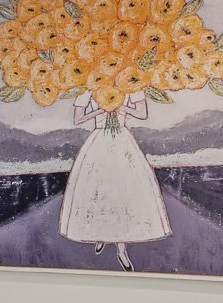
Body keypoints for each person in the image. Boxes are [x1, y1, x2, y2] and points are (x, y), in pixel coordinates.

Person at [58, 93, 170, 271]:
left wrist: (118, 106)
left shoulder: (130, 83)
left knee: (122, 192)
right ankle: (100, 234)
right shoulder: (89, 85)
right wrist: (100, 110)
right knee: (97, 191)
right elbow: (78, 118)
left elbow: (142, 113)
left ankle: (121, 249)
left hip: (122, 142)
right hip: (98, 142)